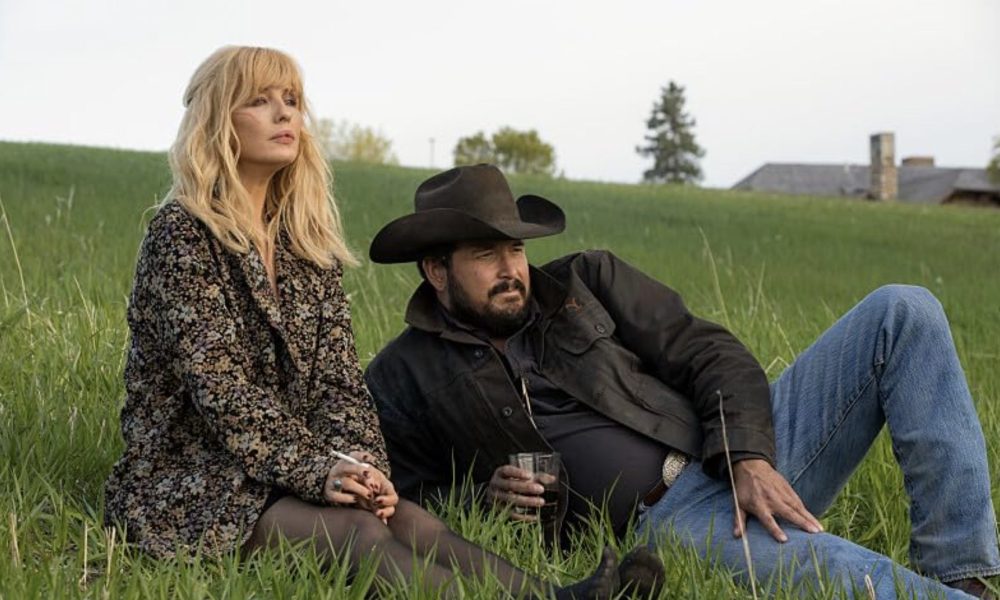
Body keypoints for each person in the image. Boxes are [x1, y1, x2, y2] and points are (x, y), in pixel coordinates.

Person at [102, 47, 663, 599]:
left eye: (292, 100)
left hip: (288, 466)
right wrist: (321, 469)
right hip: (192, 479)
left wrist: (362, 467)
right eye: (259, 101)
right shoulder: (182, 235)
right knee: (357, 532)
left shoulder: (306, 244)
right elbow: (222, 393)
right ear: (217, 121)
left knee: (412, 521)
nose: (284, 115)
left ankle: (564, 595)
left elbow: (341, 385)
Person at [364, 163, 1000, 599]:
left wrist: (748, 455)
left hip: (729, 456)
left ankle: (961, 573)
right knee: (833, 567)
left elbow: (710, 352)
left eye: (515, 250)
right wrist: (485, 497)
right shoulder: (403, 374)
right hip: (668, 521)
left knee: (903, 310)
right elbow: (408, 496)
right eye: (484, 255)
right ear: (436, 270)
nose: (510, 270)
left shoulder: (586, 282)